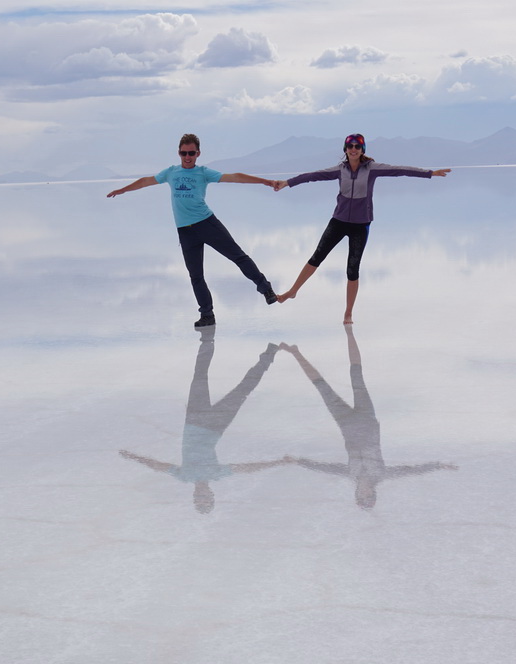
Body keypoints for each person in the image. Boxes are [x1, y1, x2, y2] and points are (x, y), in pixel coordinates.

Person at [273, 133, 451, 324]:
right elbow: (312, 176)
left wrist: (430, 173)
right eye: (350, 146)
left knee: (352, 269)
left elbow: (400, 170)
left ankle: (348, 312)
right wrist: (287, 183)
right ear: (345, 149)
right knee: (317, 257)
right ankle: (293, 291)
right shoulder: (339, 170)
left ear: (362, 149)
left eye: (357, 146)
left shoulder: (372, 169)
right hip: (338, 221)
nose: (354, 150)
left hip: (360, 225)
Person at [107, 133, 279, 328]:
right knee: (196, 276)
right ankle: (207, 314)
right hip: (185, 231)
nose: (187, 157)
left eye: (191, 153)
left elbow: (235, 177)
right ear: (179, 153)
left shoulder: (203, 173)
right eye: (184, 153)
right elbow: (146, 181)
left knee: (238, 256)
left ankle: (266, 289)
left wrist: (264, 182)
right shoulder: (171, 172)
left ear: (198, 153)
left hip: (207, 224)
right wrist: (122, 190)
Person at [280, 325, 458, 509]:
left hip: (346, 422)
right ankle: (349, 332)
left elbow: (325, 468)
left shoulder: (350, 473)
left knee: (321, 387)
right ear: (373, 492)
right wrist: (438, 465)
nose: (365, 492)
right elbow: (410, 471)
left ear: (357, 493)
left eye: (362, 495)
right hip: (367, 419)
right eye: (368, 495)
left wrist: (298, 461)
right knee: (356, 374)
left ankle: (295, 352)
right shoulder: (381, 474)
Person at [120, 329, 293, 513]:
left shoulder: (185, 476)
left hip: (194, 418)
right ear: (211, 495)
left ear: (194, 496)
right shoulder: (216, 473)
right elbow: (247, 468)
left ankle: (207, 339)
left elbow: (158, 466)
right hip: (216, 425)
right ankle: (269, 354)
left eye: (198, 499)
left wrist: (134, 457)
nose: (200, 496)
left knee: (199, 375)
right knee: (244, 388)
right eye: (205, 499)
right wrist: (278, 462)